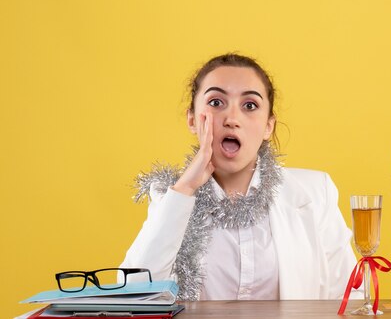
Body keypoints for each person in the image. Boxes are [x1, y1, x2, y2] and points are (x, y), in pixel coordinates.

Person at [119, 53, 357, 301]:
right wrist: (185, 188)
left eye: (250, 106)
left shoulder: (315, 193)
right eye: (216, 102)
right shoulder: (171, 196)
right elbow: (132, 294)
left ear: (268, 126)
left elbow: (350, 296)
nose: (232, 119)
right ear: (192, 119)